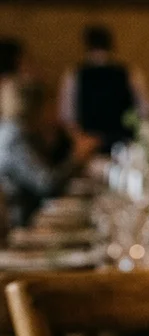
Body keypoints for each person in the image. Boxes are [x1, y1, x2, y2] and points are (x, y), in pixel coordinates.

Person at [0, 81, 99, 227]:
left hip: (30, 219)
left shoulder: (25, 133)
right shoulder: (13, 138)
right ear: (34, 108)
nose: (56, 112)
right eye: (50, 105)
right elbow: (48, 185)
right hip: (21, 226)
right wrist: (77, 158)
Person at [58, 25, 149, 152]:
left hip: (89, 147)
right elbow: (144, 110)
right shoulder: (130, 73)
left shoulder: (74, 75)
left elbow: (67, 117)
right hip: (123, 145)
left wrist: (82, 141)